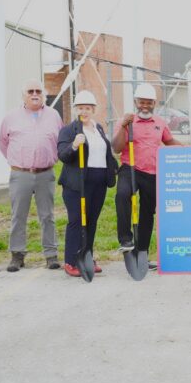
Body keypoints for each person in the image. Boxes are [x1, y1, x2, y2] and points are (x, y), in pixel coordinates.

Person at [112, 83, 181, 270]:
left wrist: (189, 150)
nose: (145, 106)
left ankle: (142, 251)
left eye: (148, 102)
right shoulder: (127, 121)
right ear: (135, 102)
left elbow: (169, 141)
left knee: (147, 213)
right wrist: (124, 127)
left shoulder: (159, 122)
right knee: (122, 195)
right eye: (141, 102)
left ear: (154, 103)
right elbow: (116, 147)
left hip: (152, 172)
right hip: (130, 168)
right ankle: (126, 240)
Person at [0, 80, 63, 272]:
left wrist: (51, 158)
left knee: (47, 215)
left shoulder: (54, 115)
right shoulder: (11, 117)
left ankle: (51, 255)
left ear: (44, 94)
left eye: (38, 91)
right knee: (18, 215)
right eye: (30, 91)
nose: (35, 94)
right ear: (23, 95)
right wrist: (17, 161)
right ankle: (17, 255)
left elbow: (61, 141)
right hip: (21, 173)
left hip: (46, 173)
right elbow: (3, 142)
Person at [57, 91, 118, 277]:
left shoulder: (98, 128)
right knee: (77, 221)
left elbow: (105, 153)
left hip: (98, 182)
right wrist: (74, 145)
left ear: (93, 110)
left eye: (88, 108)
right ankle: (71, 261)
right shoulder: (69, 130)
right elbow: (62, 155)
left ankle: (86, 256)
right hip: (78, 183)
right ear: (76, 109)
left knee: (91, 221)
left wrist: (116, 168)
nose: (84, 111)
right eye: (81, 108)